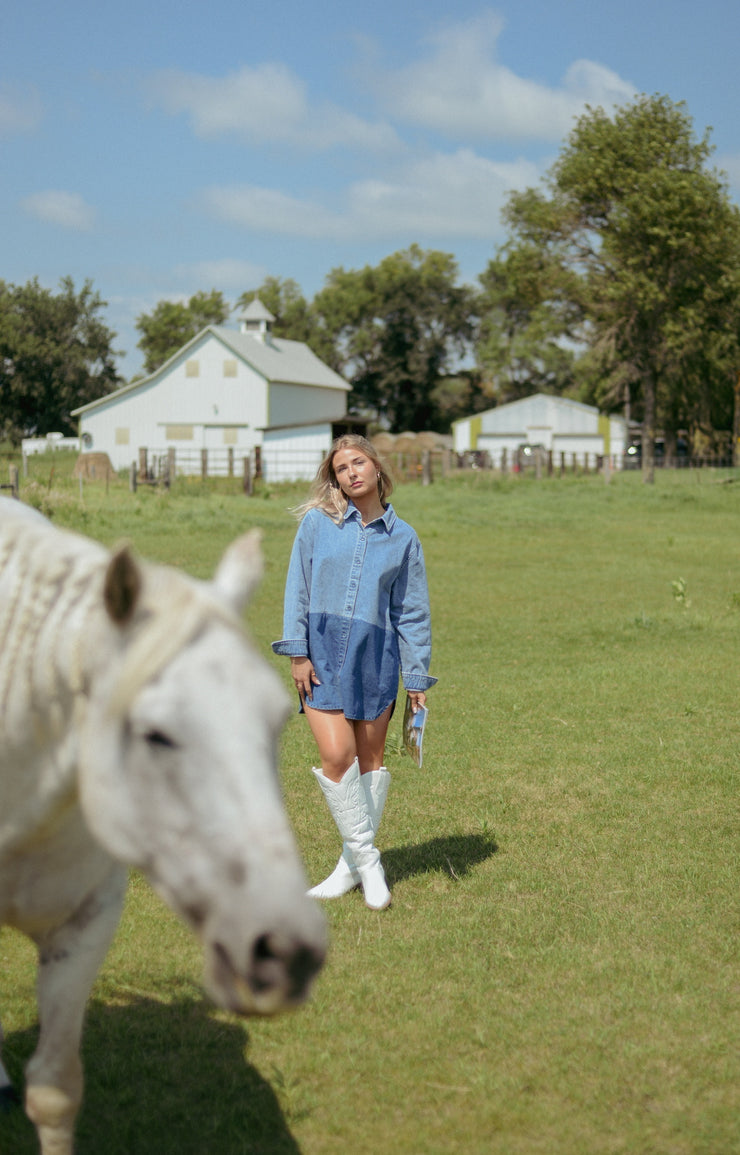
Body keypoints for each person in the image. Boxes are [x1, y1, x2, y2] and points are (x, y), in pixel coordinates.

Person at [272, 434, 436, 910]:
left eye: (358, 463)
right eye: (342, 468)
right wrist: (297, 652)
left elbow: (411, 613)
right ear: (335, 477)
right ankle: (369, 864)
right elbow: (296, 589)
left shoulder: (403, 538)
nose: (351, 474)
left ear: (378, 469)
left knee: (371, 764)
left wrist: (417, 679)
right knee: (336, 755)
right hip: (320, 656)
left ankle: (348, 869)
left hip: (376, 658)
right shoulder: (315, 526)